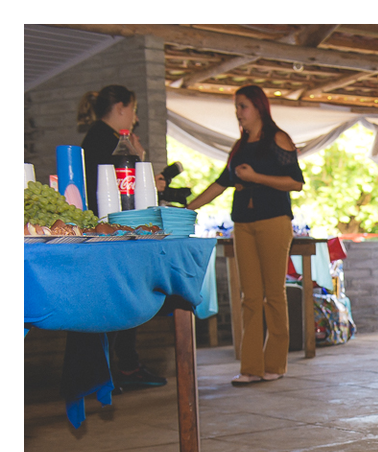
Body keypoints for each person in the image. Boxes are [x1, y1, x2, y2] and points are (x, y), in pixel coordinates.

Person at [188, 85, 304, 386]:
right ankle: (251, 367)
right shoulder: (238, 147)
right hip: (243, 223)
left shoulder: (279, 139)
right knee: (249, 297)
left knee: (274, 294)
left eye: (243, 106)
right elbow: (220, 183)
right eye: (236, 106)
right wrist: (188, 210)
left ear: (258, 107)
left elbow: (295, 182)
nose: (238, 112)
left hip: (274, 221)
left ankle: (275, 364)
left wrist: (255, 178)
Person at [76, 85, 166, 391]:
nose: (136, 118)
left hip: (109, 232)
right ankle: (114, 370)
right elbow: (122, 193)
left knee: (118, 299)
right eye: (134, 110)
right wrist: (140, 159)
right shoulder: (107, 141)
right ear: (121, 108)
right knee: (119, 300)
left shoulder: (101, 139)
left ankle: (116, 368)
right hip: (111, 233)